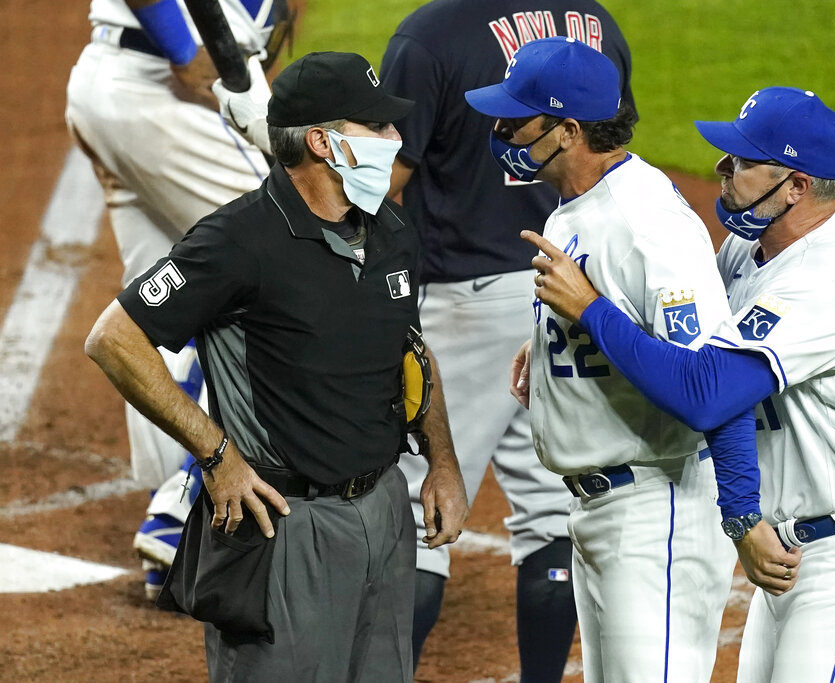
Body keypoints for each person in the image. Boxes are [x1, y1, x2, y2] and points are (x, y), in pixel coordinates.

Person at [522, 86, 835, 682]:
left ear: (796, 186)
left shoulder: (830, 279)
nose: (723, 167)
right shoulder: (747, 250)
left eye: (745, 161)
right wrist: (566, 333)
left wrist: (590, 309)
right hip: (792, 545)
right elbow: (681, 341)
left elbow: (708, 393)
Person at [84, 51, 470, 681]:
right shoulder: (237, 241)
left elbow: (410, 354)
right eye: (378, 128)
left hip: (384, 511)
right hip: (286, 526)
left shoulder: (392, 229)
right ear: (324, 143)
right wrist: (216, 455)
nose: (396, 140)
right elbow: (113, 339)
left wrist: (444, 465)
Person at [465, 37, 762, 683]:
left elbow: (710, 384)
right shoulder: (579, 208)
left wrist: (591, 314)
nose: (499, 130)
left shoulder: (645, 218)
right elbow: (614, 312)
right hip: (603, 512)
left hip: (656, 509)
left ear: (567, 130)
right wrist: (554, 342)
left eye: (515, 119)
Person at [378, 2, 634, 676]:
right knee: (552, 505)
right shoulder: (594, 23)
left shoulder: (429, 35)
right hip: (565, 284)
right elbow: (608, 156)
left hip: (460, 299)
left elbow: (383, 184)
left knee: (416, 505)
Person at [65, 0, 293, 599]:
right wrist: (185, 48)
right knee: (290, 258)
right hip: (160, 89)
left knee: (161, 307)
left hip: (113, 89)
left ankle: (177, 541)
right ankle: (183, 504)